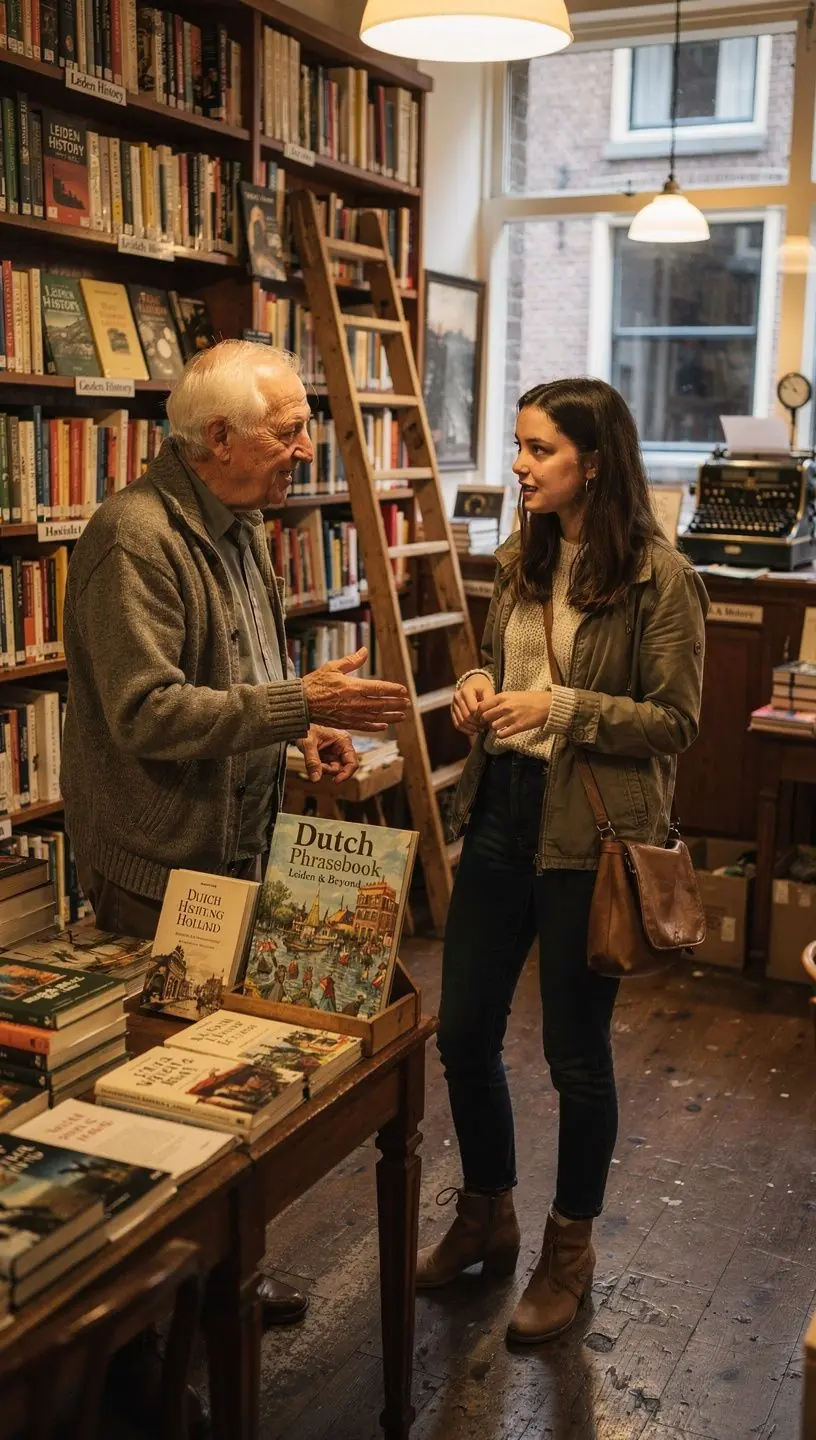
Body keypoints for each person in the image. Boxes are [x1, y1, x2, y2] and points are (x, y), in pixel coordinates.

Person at [60, 340, 409, 1421]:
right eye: (288, 429)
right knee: (149, 1111)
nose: (305, 448)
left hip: (236, 856)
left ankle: (218, 1290)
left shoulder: (242, 526)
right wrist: (301, 710)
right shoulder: (135, 537)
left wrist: (302, 749)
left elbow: (248, 682)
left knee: (218, 1104)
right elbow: (148, 713)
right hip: (156, 871)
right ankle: (133, 1352)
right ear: (218, 441)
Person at [417, 378, 708, 1345]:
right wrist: (478, 686)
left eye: (539, 450)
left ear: (593, 459)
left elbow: (675, 722)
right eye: (517, 447)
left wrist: (563, 710)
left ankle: (567, 1250)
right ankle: (485, 1210)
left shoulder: (662, 581)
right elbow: (510, 669)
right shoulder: (522, 558)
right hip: (500, 810)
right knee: (462, 1032)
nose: (519, 466)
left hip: (590, 837)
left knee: (575, 1059)